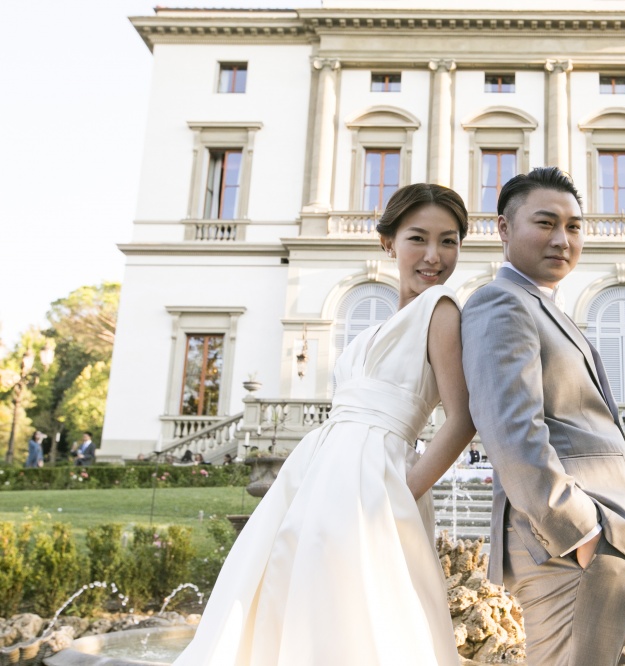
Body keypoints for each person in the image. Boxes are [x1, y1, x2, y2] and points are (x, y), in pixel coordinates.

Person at [173, 183, 476, 666]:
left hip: (377, 481)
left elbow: (462, 419)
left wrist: (402, 491)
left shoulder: (440, 309)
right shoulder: (376, 326)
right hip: (318, 472)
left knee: (360, 607)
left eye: (449, 241)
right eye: (418, 238)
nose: (434, 256)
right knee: (293, 592)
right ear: (388, 242)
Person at [463, 167, 625, 666]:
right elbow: (513, 432)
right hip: (565, 542)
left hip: (603, 536)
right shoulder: (500, 303)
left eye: (574, 226)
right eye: (546, 223)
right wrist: (581, 531)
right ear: (504, 229)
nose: (563, 239)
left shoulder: (544, 305)